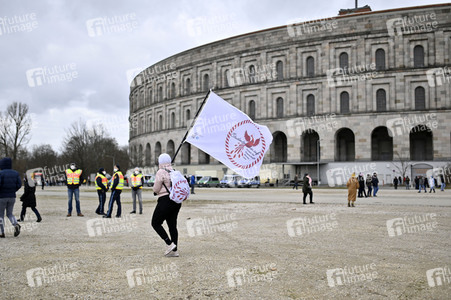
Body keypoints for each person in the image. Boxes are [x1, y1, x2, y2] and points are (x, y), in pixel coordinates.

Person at [151, 153, 182, 257]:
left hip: (165, 200)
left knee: (155, 222)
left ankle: (169, 244)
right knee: (172, 225)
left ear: (160, 162)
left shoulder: (161, 172)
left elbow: (156, 188)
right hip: (176, 201)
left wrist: (155, 192)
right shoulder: (174, 171)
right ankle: (175, 250)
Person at [0, 157, 22, 238]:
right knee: (9, 214)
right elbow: (19, 184)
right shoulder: (15, 173)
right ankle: (16, 224)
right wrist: (13, 190)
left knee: (1, 215)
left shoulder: (1, 173)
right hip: (12, 196)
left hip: (1, 197)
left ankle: (1, 232)